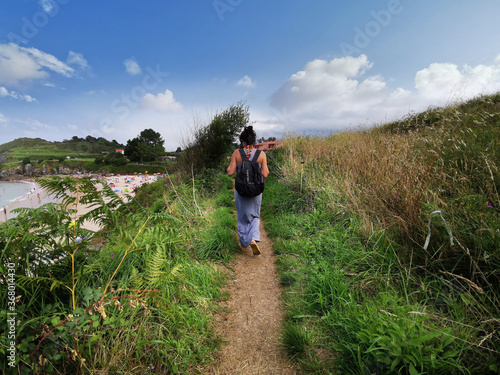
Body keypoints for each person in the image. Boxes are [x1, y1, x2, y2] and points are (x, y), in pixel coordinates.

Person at [226, 126, 270, 255]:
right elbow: (265, 174)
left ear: (243, 141)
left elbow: (230, 173)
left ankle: (244, 244)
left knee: (242, 216)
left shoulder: (236, 153)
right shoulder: (261, 154)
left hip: (241, 190)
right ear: (254, 141)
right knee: (255, 215)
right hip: (256, 190)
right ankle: (254, 238)